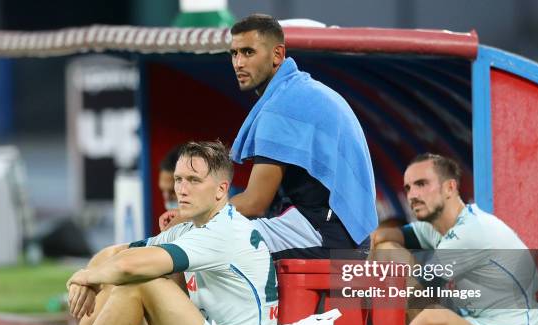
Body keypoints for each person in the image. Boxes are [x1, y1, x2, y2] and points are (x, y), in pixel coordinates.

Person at [2, 140, 278, 325]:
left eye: (194, 180)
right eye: (179, 179)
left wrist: (87, 276)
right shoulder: (190, 228)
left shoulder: (225, 230)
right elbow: (115, 254)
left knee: (141, 280)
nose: (182, 189)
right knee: (122, 272)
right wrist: (90, 281)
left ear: (221, 190)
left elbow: (130, 266)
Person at [160, 14, 378, 259]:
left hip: (329, 236)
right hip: (338, 232)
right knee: (201, 237)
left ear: (277, 55)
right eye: (234, 53)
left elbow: (255, 202)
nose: (238, 63)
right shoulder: (298, 90)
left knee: (200, 240)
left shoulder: (283, 105)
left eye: (248, 52)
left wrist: (190, 216)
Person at [370, 153, 538, 325]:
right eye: (408, 188)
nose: (412, 195)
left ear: (450, 187)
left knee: (432, 317)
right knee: (389, 251)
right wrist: (375, 243)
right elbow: (385, 237)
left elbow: (416, 292)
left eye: (422, 184)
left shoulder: (472, 231)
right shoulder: (435, 228)